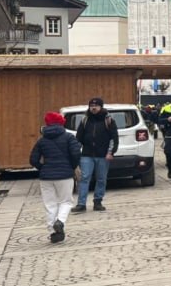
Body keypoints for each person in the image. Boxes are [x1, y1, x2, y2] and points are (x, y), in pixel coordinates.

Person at [30, 111, 81, 243]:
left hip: (46, 177)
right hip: (65, 175)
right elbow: (76, 154)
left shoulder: (42, 140)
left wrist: (43, 168)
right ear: (61, 123)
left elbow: (33, 159)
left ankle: (53, 232)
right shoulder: (69, 137)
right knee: (66, 201)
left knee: (50, 204)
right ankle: (60, 221)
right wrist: (72, 166)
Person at [73, 97, 118, 213]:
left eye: (96, 106)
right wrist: (76, 152)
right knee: (84, 178)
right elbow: (78, 138)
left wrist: (110, 152)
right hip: (87, 154)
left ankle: (98, 201)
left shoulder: (109, 120)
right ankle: (81, 204)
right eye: (91, 106)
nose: (93, 108)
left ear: (101, 107)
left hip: (103, 155)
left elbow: (114, 138)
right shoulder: (85, 120)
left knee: (101, 179)